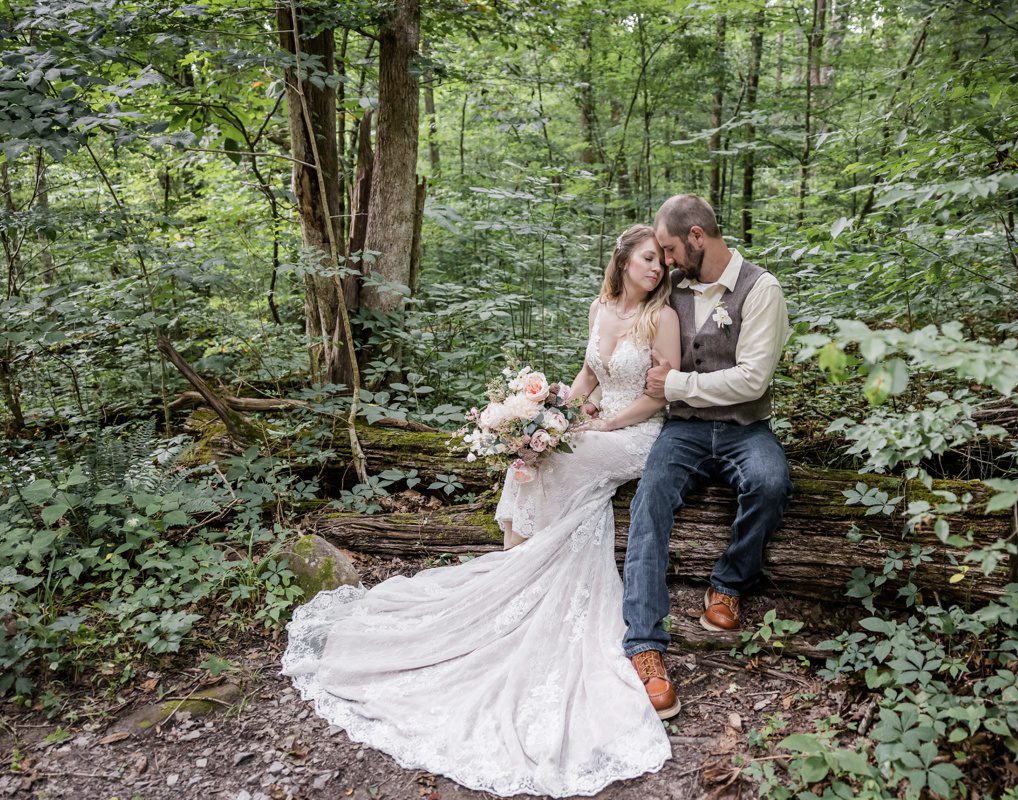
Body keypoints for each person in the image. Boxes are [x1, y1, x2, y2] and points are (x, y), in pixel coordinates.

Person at [281, 224, 681, 798]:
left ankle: (525, 564)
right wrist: (555, 414)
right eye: (647, 259)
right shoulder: (602, 307)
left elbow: (658, 395)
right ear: (622, 261)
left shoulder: (661, 318)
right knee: (537, 454)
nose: (656, 269)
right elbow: (589, 376)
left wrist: (601, 424)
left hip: (638, 434)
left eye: (660, 263)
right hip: (596, 421)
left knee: (562, 461)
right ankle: (515, 561)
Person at [621, 194, 792, 720]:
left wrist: (674, 383)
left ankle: (728, 585)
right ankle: (645, 643)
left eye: (670, 248)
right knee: (649, 502)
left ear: (697, 237)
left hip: (744, 428)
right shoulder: (672, 288)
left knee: (771, 482)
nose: (665, 260)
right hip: (684, 431)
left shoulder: (762, 290)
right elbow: (625, 317)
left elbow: (752, 379)